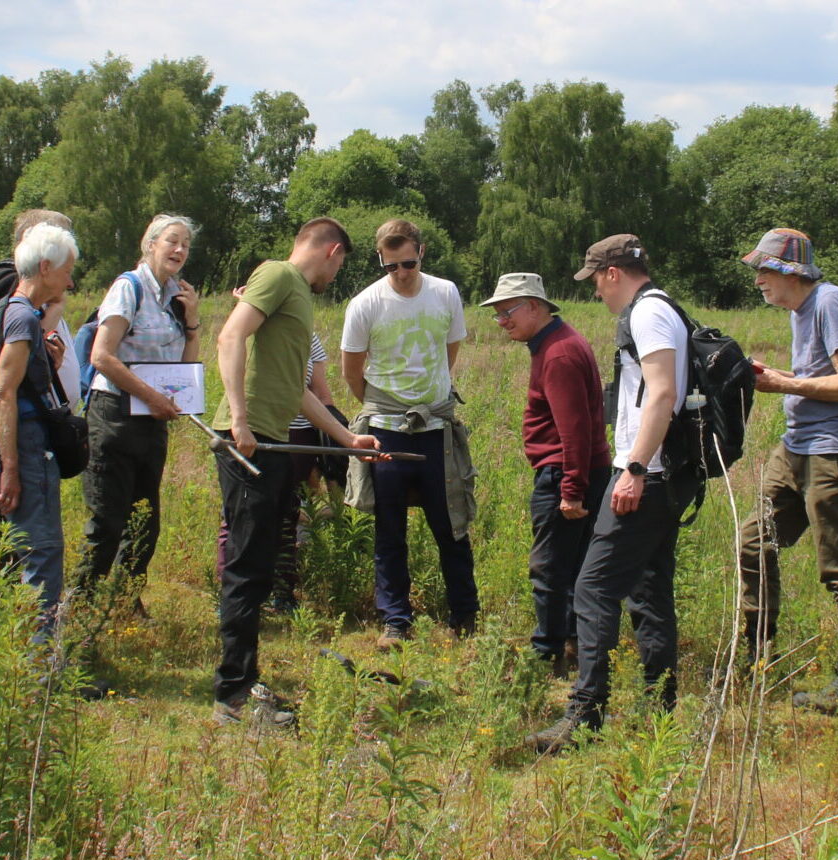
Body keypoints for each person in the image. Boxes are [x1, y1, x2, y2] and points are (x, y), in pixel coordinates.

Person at [525, 235, 700, 754]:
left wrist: (636, 467)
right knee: (648, 591)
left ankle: (585, 715)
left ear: (614, 273)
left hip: (648, 474)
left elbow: (663, 392)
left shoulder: (647, 314)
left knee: (593, 588)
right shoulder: (665, 309)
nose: (596, 291)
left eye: (596, 280)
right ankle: (659, 710)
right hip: (664, 475)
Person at [211, 217, 380, 727]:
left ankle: (245, 679)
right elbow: (229, 337)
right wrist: (239, 417)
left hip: (274, 441)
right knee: (244, 566)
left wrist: (347, 439)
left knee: (260, 563)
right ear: (332, 251)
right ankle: (233, 697)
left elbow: (297, 387)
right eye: (342, 263)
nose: (337, 274)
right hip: (250, 442)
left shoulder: (299, 296)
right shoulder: (279, 275)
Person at [731, 229, 838, 713]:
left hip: (831, 451)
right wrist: (778, 378)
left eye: (764, 271)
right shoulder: (803, 311)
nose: (758, 281)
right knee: (754, 541)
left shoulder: (830, 304)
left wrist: (784, 383)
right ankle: (754, 659)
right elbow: (817, 378)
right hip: (797, 446)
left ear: (791, 271)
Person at [339, 218, 477, 649]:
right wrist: (387, 408)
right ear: (381, 260)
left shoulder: (445, 293)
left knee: (451, 524)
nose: (401, 273)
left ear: (422, 254)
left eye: (409, 264)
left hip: (436, 427)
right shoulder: (364, 304)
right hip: (386, 432)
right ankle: (395, 621)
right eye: (392, 266)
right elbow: (352, 371)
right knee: (389, 528)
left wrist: (428, 399)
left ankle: (465, 616)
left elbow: (449, 350)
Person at [0, 222, 80, 641]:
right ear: (45, 267)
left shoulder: (9, 310)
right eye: (67, 270)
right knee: (42, 552)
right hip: (22, 447)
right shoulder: (23, 317)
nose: (71, 279)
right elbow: (3, 394)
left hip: (5, 444)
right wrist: (11, 467)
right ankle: (38, 667)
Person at [482, 272, 608, 678]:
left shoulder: (558, 354)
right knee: (572, 567)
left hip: (565, 475)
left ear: (535, 306)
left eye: (507, 312)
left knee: (550, 567)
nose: (502, 321)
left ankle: (547, 654)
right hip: (575, 472)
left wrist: (571, 490)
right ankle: (572, 649)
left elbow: (575, 430)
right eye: (497, 315)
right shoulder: (557, 342)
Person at [78, 214, 202, 593]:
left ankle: (125, 601)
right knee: (107, 522)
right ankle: (78, 610)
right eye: (171, 241)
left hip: (151, 420)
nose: (179, 250)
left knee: (145, 522)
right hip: (113, 416)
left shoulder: (175, 296)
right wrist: (151, 396)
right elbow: (102, 356)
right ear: (150, 245)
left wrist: (193, 319)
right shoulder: (127, 288)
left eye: (185, 245)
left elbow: (186, 366)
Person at [0, 210, 78, 403]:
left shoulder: (46, 292)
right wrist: (56, 309)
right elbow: (20, 349)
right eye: (59, 236)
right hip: (28, 413)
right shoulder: (15, 288)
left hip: (44, 414)